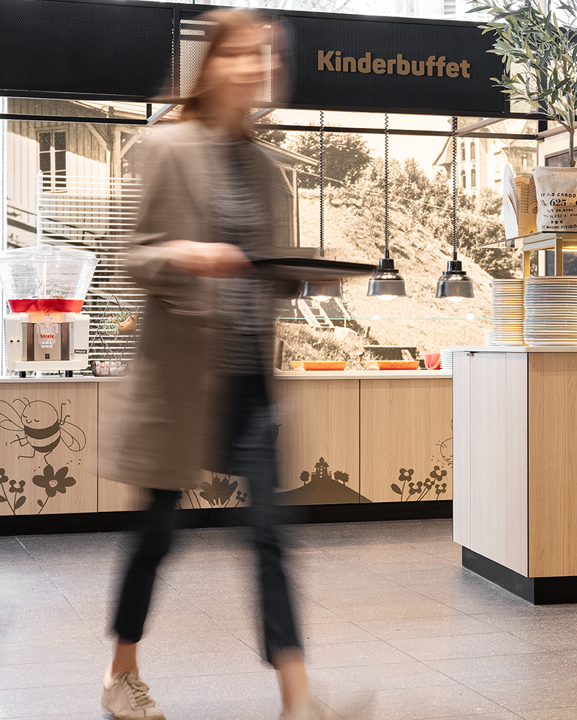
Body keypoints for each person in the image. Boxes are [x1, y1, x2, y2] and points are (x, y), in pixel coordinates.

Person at [101, 10, 340, 720]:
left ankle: (297, 699)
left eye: (263, 57)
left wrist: (306, 277)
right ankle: (121, 672)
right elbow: (132, 255)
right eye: (239, 54)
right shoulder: (164, 147)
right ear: (211, 65)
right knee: (155, 535)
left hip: (249, 382)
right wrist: (185, 255)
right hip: (178, 382)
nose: (253, 68)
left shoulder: (266, 167)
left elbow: (265, 271)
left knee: (270, 532)